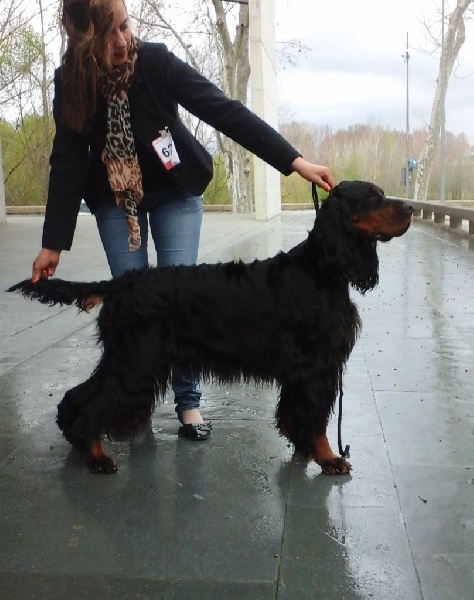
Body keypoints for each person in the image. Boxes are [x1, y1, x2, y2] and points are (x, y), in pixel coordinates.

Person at [31, 0, 335, 441]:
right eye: (107, 35)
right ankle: (133, 404)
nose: (121, 42)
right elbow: (68, 160)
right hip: (116, 198)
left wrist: (294, 161)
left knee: (185, 300)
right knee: (135, 303)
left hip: (175, 190)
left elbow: (223, 111)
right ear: (83, 40)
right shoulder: (72, 82)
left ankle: (189, 403)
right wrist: (52, 243)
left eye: (124, 26)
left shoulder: (154, 61)